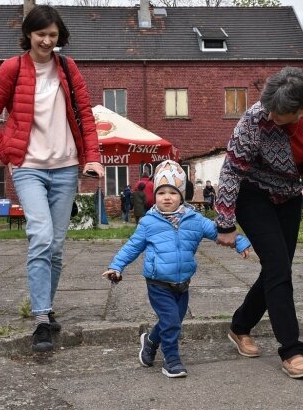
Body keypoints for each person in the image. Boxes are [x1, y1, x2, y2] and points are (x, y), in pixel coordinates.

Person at [0, 4, 104, 354]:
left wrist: (92, 158)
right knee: (41, 236)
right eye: (41, 35)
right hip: (29, 167)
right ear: (28, 35)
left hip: (65, 168)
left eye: (53, 35)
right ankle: (40, 320)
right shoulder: (12, 69)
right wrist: (9, 155)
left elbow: (86, 118)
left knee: (58, 246)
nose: (47, 41)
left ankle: (45, 311)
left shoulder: (68, 68)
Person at [214, 66, 303, 379]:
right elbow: (231, 171)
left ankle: (240, 327)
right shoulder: (254, 119)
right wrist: (225, 221)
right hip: (253, 197)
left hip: (291, 197)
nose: (272, 116)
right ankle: (292, 350)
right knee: (279, 268)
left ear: (301, 108)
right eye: (270, 109)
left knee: (277, 270)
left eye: (280, 113)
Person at [103, 160, 251, 378]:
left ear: (181, 195)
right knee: (172, 323)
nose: (166, 197)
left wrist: (239, 242)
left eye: (172, 192)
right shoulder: (148, 222)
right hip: (158, 283)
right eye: (161, 192)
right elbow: (132, 247)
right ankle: (171, 359)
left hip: (182, 284)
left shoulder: (195, 220)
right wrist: (116, 266)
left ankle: (150, 341)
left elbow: (217, 231)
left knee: (170, 322)